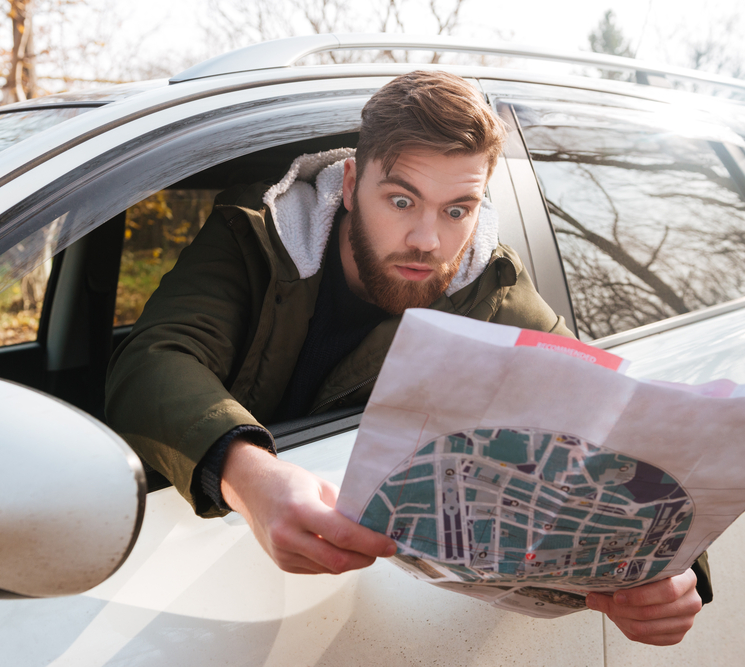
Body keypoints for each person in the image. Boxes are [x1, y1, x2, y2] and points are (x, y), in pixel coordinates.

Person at [105, 70, 708, 646]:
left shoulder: (490, 289)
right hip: (190, 583)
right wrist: (249, 478)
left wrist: (679, 573)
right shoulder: (257, 237)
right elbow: (154, 360)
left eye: (456, 211)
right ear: (348, 184)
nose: (428, 240)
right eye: (401, 201)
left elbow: (609, 420)